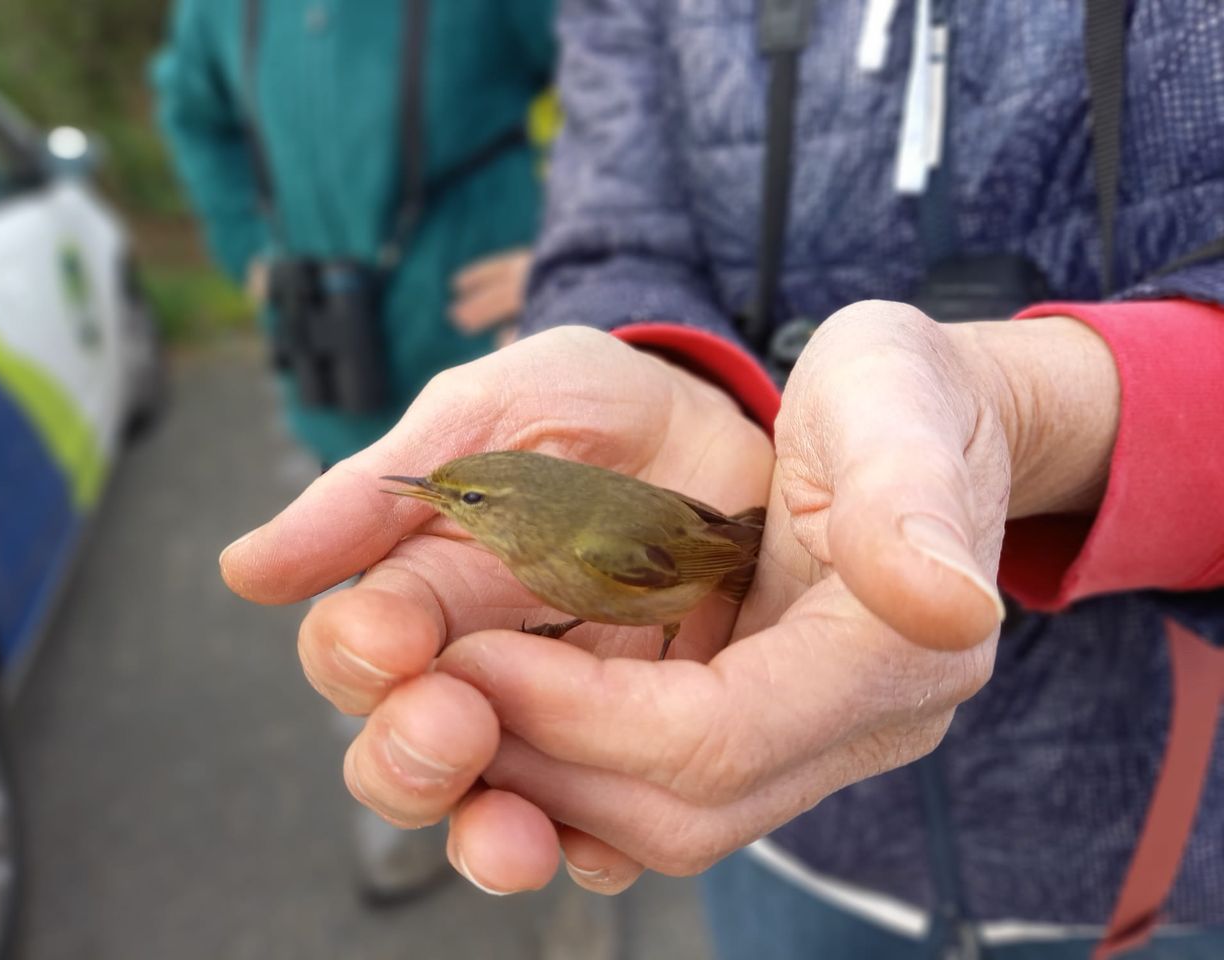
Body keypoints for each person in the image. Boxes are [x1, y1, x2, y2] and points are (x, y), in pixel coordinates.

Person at [220, 1, 1224, 957]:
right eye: (451, 502)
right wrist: (657, 357)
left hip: (1161, 857)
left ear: (514, 507)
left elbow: (694, 568)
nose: (447, 512)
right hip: (790, 857)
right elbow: (612, 237)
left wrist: (1044, 411)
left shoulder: (583, 545)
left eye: (466, 501)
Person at [152, 0, 555, 900]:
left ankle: (549, 783)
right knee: (364, 609)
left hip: (494, 373)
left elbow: (621, 91)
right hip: (332, 378)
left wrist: (568, 251)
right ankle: (413, 798)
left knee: (529, 591)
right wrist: (248, 249)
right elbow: (192, 112)